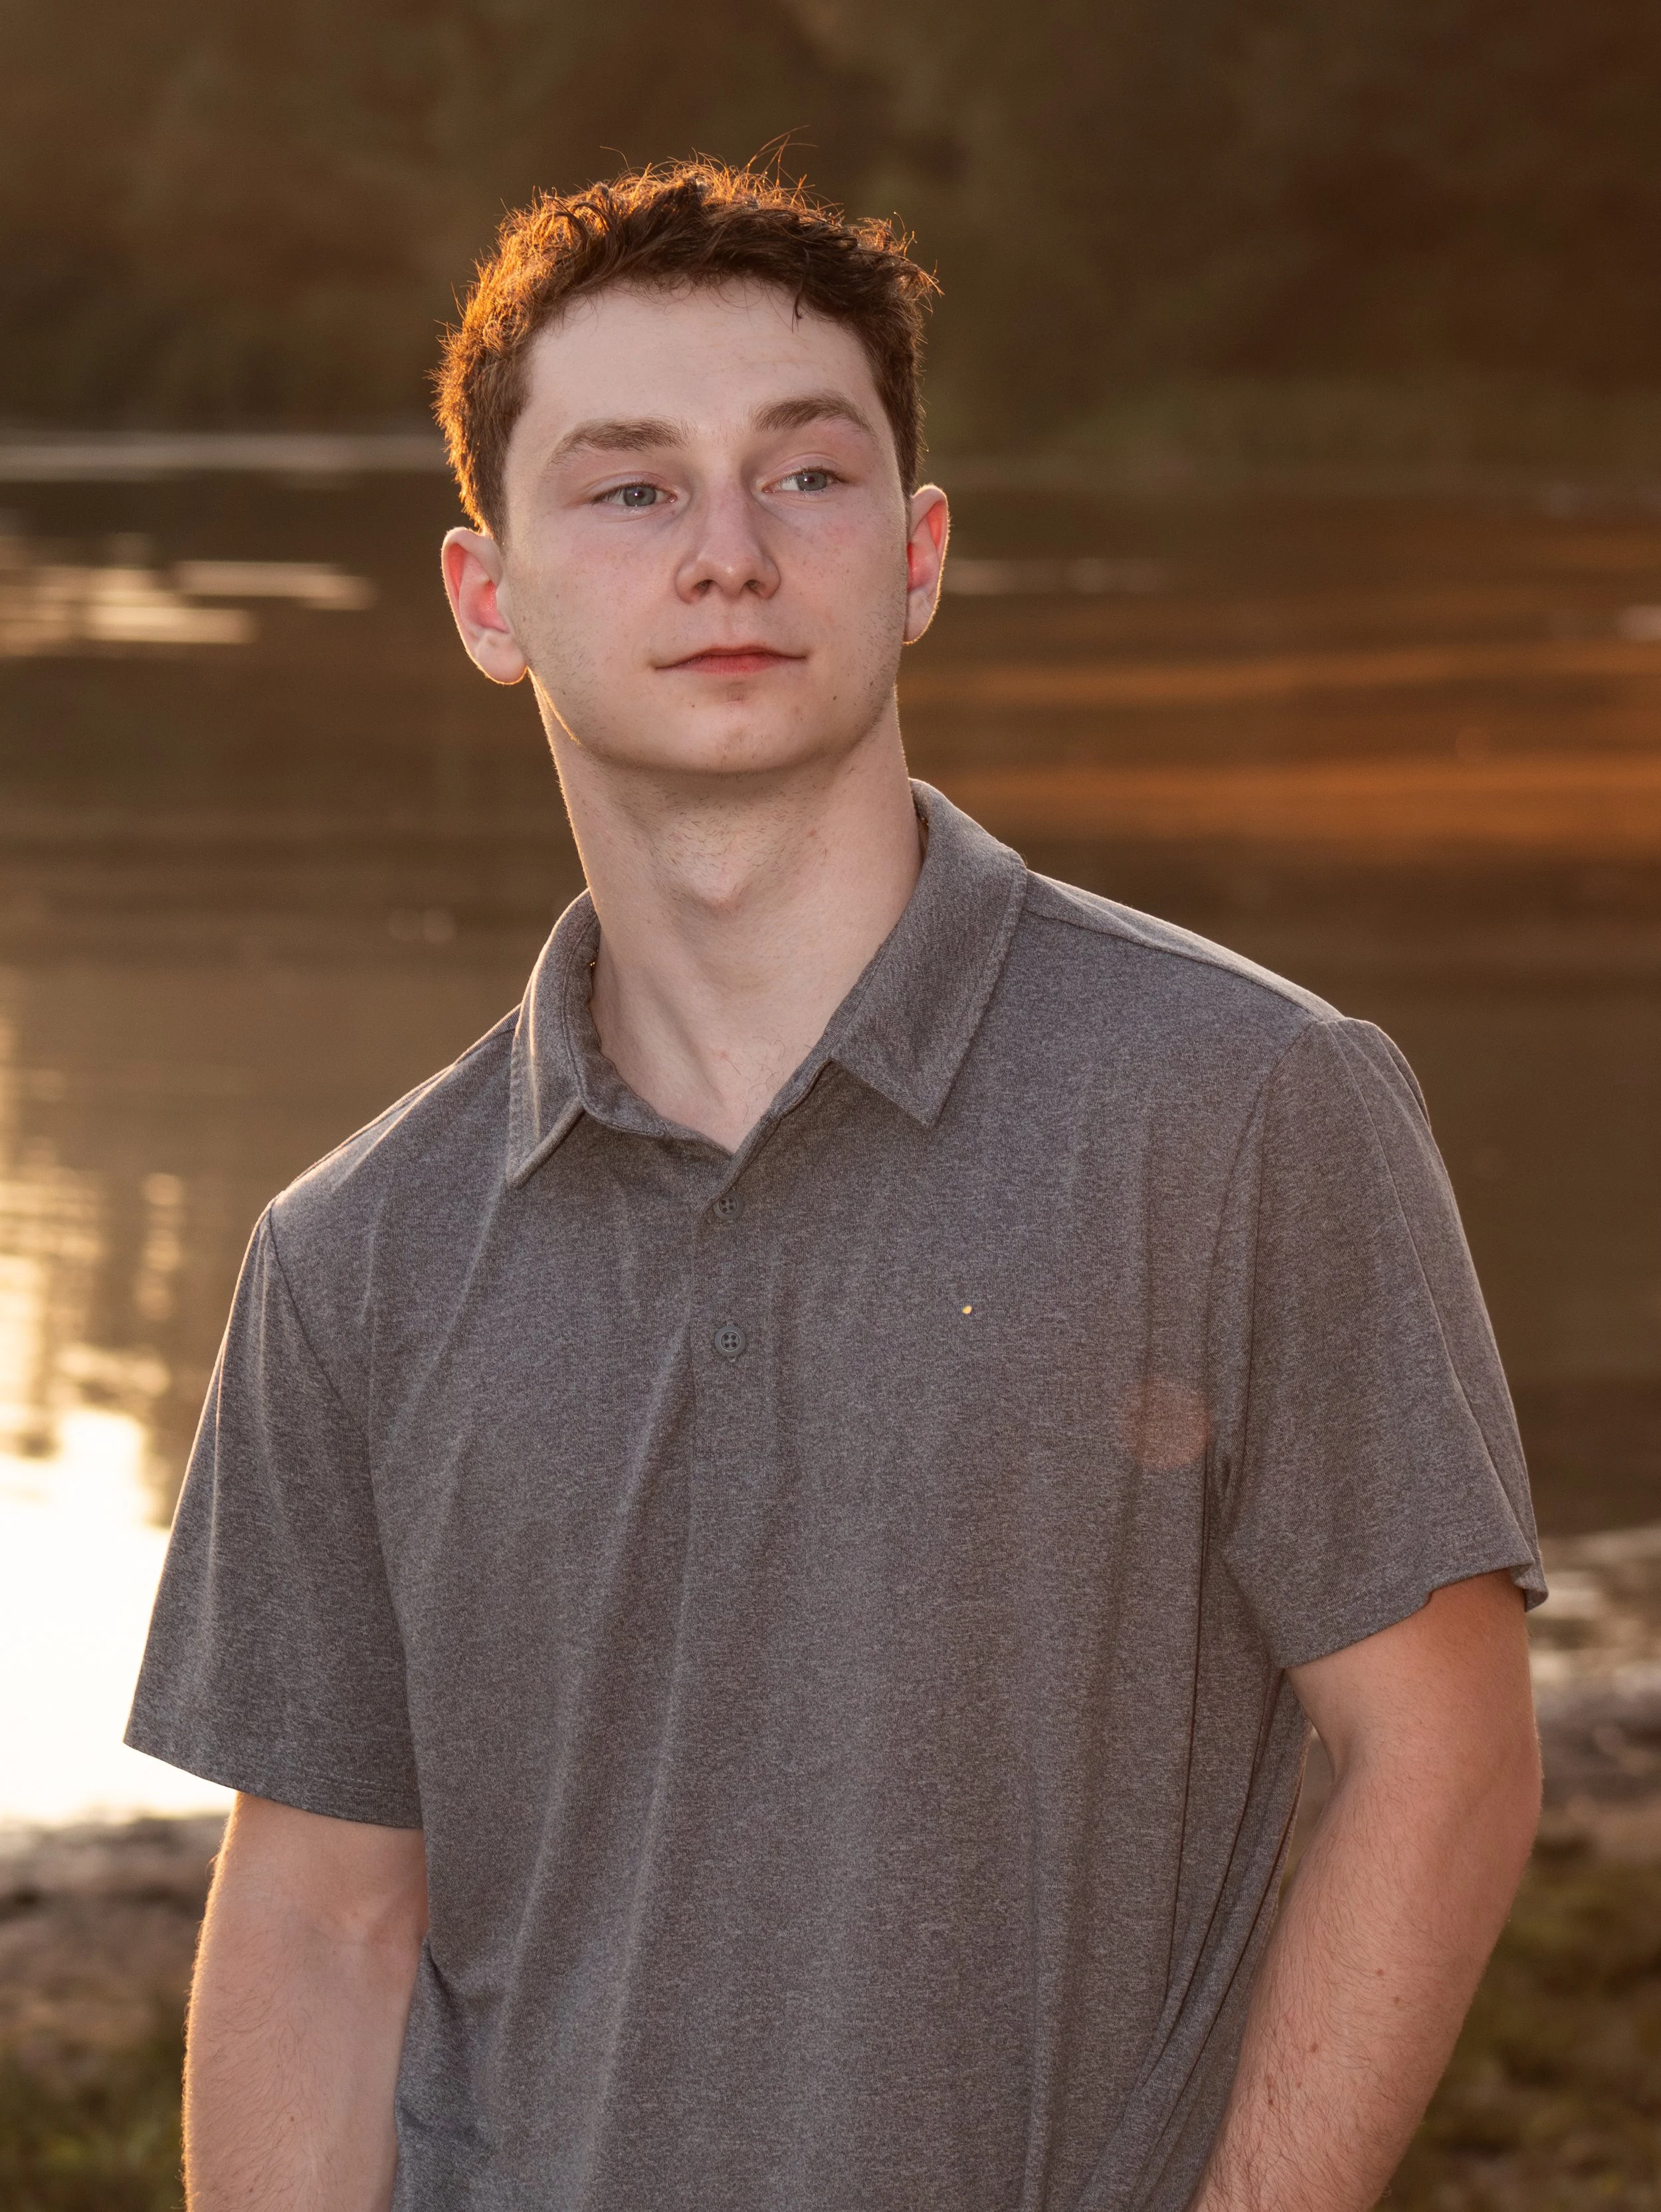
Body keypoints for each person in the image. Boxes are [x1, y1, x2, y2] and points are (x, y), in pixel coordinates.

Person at [128, 159, 1545, 2212]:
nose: (728, 553)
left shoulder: (1243, 1103)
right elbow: (321, 1921)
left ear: (915, 555)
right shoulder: (354, 1255)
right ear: (487, 600)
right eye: (632, 489)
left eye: (803, 476)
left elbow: (1440, 1756)